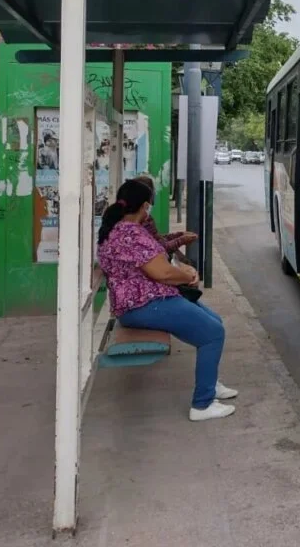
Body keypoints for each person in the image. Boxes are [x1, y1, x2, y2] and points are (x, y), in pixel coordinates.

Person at [97, 179, 237, 421]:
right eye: (149, 205)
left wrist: (181, 272)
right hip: (144, 304)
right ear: (143, 206)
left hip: (143, 300)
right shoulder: (131, 234)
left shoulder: (117, 228)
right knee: (213, 333)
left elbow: (156, 267)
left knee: (213, 321)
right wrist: (189, 275)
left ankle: (210, 383)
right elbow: (162, 273)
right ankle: (202, 405)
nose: (149, 209)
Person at [133, 175, 196, 265]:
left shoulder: (146, 218)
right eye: (153, 193)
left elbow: (158, 239)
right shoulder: (140, 220)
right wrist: (181, 240)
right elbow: (158, 247)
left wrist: (179, 235)